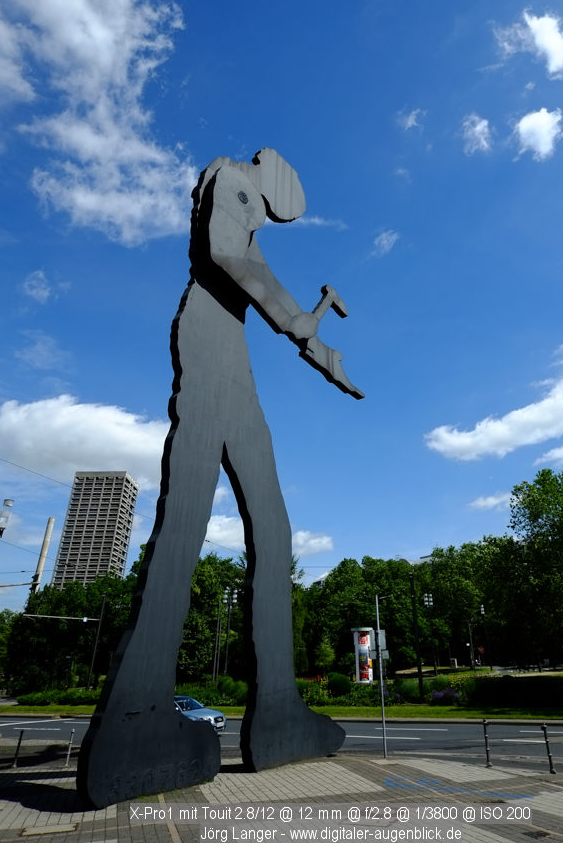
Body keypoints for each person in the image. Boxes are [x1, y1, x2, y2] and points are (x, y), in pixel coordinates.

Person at [77, 150, 362, 808]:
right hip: (210, 343)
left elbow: (255, 266)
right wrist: (296, 324)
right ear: (269, 177)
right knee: (185, 519)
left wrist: (312, 339)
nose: (272, 216)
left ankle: (279, 711)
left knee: (272, 525)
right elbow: (229, 256)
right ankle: (137, 715)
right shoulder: (234, 183)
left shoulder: (244, 203)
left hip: (229, 349)